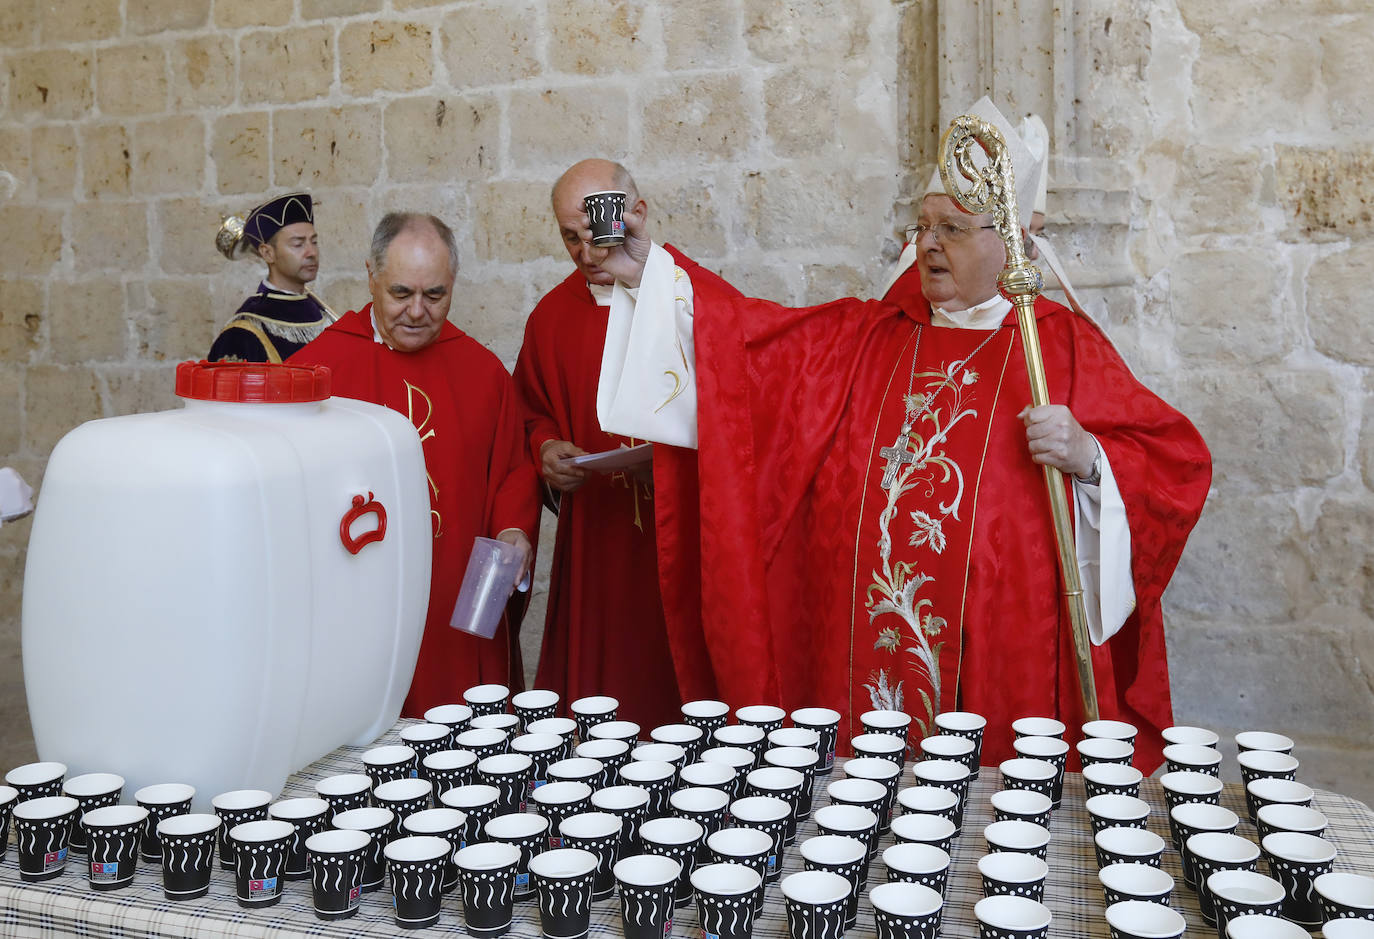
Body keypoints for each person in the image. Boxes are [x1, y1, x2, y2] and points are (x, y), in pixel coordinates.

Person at [590, 101, 1211, 771]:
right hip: (860, 662)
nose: (929, 244)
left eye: (952, 227)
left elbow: (1175, 467)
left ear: (1011, 238)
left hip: (1004, 656)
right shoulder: (870, 335)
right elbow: (748, 352)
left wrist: (1089, 457)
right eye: (922, 226)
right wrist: (649, 271)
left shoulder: (1058, 347)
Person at [512, 159, 739, 728]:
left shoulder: (689, 297)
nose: (585, 251)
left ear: (635, 214)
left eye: (594, 231)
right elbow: (527, 411)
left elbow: (743, 392)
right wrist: (545, 452)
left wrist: (677, 464)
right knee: (599, 703)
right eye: (569, 236)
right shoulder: (551, 318)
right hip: (598, 542)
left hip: (682, 536)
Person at [290, 212, 540, 716]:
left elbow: (513, 467)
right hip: (357, 605)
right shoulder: (315, 375)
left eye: (436, 295)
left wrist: (514, 528)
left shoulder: (482, 373)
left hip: (456, 610)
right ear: (371, 277)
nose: (418, 312)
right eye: (401, 293)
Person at [209, 192, 337, 363]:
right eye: (298, 244)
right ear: (267, 253)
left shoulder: (323, 315)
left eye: (314, 242)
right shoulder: (242, 334)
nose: (312, 253)